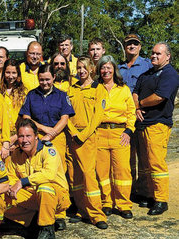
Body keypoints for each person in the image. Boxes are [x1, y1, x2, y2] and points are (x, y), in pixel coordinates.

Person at [19, 63, 75, 230]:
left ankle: (59, 214)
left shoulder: (61, 95)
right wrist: (43, 130)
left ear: (54, 78)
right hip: (35, 137)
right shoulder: (31, 95)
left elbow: (65, 118)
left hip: (57, 137)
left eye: (47, 79)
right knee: (36, 173)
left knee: (57, 175)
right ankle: (40, 209)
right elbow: (26, 116)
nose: (44, 83)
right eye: (41, 79)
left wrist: (51, 134)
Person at [5, 119, 72, 238]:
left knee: (45, 188)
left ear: (36, 136)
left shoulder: (48, 151)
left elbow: (49, 174)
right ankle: (32, 221)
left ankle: (47, 229)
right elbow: (11, 176)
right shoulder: (16, 154)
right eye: (21, 136)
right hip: (32, 196)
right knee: (1, 197)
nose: (24, 140)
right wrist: (11, 188)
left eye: (28, 136)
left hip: (56, 197)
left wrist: (22, 182)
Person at [133, 42, 179, 215]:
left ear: (167, 56)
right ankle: (146, 194)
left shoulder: (170, 74)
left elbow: (160, 96)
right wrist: (137, 106)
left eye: (158, 54)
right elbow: (135, 90)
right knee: (144, 163)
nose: (154, 56)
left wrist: (141, 104)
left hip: (158, 124)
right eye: (152, 53)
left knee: (156, 163)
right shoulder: (146, 74)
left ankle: (161, 199)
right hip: (142, 124)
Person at [66, 56, 108, 229]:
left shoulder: (99, 89)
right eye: (78, 67)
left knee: (89, 176)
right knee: (74, 175)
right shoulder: (71, 88)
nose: (81, 70)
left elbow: (98, 116)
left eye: (84, 67)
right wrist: (74, 132)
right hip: (71, 136)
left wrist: (83, 135)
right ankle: (82, 210)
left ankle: (96, 214)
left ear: (91, 68)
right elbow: (66, 113)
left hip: (88, 137)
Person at [95, 55, 136, 219]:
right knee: (102, 171)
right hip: (100, 133)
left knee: (122, 170)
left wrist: (129, 130)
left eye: (108, 67)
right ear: (99, 70)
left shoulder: (123, 88)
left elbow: (131, 112)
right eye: (103, 67)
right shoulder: (95, 88)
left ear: (114, 70)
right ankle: (106, 202)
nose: (106, 70)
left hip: (120, 134)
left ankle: (124, 204)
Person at [118, 34, 152, 203]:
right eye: (128, 44)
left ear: (140, 46)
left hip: (143, 116)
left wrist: (142, 106)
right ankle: (129, 190)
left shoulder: (148, 64)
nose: (131, 46)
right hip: (125, 119)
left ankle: (145, 192)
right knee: (127, 157)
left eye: (135, 44)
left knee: (144, 156)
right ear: (124, 47)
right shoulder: (119, 68)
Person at [0, 59, 28, 151]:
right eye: (8, 72)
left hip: (20, 135)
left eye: (14, 73)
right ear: (3, 73)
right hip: (2, 137)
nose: (11, 76)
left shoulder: (25, 92)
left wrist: (16, 137)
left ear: (18, 74)